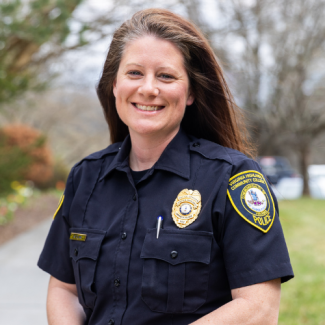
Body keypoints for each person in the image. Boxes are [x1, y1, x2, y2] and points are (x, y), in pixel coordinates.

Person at [38, 8, 294, 325]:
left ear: (190, 93)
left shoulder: (232, 178)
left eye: (166, 76)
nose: (148, 88)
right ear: (114, 85)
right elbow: (65, 290)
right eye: (134, 73)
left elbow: (259, 308)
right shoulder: (84, 178)